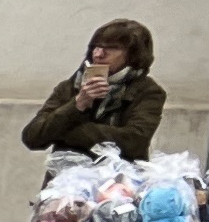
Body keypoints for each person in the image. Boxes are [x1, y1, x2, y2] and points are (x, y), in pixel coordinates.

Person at [20, 20, 162, 161]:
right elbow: (32, 138)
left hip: (118, 173)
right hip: (68, 173)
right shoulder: (70, 86)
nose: (98, 54)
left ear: (133, 55)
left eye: (112, 48)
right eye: (96, 47)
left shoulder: (148, 91)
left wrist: (65, 132)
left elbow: (134, 142)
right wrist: (77, 104)